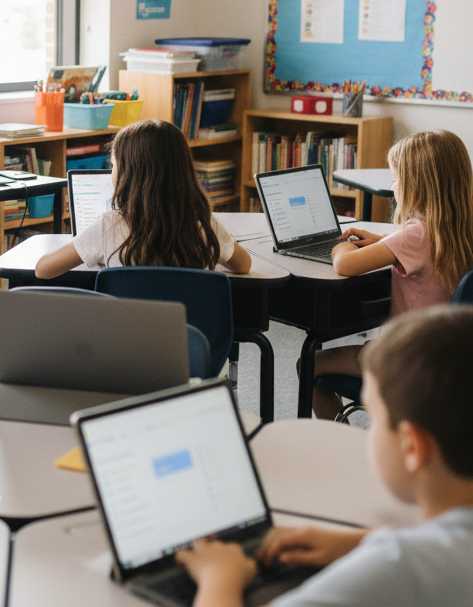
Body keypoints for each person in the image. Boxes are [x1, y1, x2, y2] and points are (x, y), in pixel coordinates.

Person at [175, 305, 473, 607]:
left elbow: (413, 561)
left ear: (412, 447)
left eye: (377, 417)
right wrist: (358, 542)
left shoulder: (399, 566)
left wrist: (219, 577)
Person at [309, 129, 473, 419]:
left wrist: (339, 248)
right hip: (451, 358)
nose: (394, 185)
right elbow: (416, 246)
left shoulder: (415, 234)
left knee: (309, 363)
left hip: (406, 356)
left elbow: (345, 266)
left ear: (414, 185)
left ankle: (338, 449)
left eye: (396, 179)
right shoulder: (459, 226)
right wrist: (383, 242)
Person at [35, 119, 251, 278]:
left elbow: (43, 269)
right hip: (188, 336)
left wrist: (91, 248)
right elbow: (244, 265)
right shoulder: (204, 223)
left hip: (127, 337)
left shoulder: (109, 226)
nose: (112, 171)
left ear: (129, 175)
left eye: (113, 165)